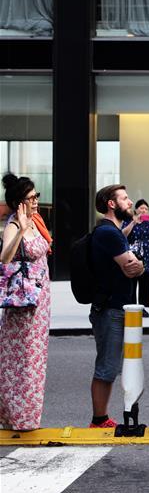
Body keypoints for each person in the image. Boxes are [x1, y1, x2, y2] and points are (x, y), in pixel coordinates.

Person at [87, 185, 145, 428]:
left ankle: (101, 417)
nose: (130, 202)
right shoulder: (108, 233)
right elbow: (132, 266)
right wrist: (138, 265)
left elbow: (132, 266)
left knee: (111, 364)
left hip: (114, 306)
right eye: (124, 198)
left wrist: (136, 265)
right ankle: (98, 419)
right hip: (110, 308)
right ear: (111, 204)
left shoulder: (112, 231)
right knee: (107, 366)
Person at [0, 174, 51, 431]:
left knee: (34, 362)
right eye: (31, 198)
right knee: (20, 363)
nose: (35, 202)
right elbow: (5, 258)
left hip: (40, 303)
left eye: (36, 196)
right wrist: (20, 228)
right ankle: (16, 417)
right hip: (23, 304)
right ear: (19, 202)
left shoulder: (36, 221)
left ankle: (28, 417)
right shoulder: (14, 225)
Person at [130, 199, 149, 317]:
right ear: (136, 210)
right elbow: (123, 234)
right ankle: (132, 306)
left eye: (146, 209)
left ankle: (143, 307)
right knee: (132, 281)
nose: (143, 211)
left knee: (146, 282)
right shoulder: (129, 221)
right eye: (141, 208)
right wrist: (133, 223)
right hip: (133, 254)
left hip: (147, 255)